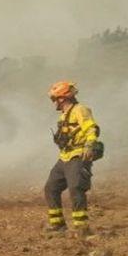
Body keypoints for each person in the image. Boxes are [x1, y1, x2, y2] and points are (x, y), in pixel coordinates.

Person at [44, 81, 101, 235]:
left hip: (78, 155)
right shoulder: (64, 115)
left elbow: (91, 128)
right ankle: (58, 226)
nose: (54, 103)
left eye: (55, 99)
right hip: (65, 157)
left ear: (62, 98)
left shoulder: (80, 110)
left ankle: (82, 229)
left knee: (76, 189)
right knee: (51, 188)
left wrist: (89, 145)